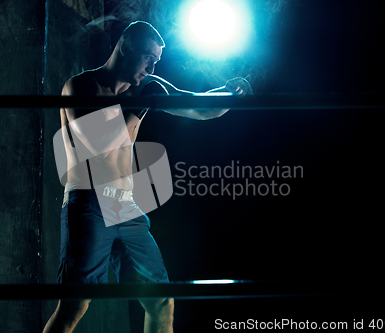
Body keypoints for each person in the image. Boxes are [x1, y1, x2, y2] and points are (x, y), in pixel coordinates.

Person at [43, 21, 252, 333]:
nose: (152, 67)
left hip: (124, 206)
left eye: (157, 61)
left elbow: (197, 106)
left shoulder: (144, 87)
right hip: (88, 201)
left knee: (161, 300)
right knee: (75, 304)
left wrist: (230, 93)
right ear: (125, 48)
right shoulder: (82, 87)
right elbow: (95, 147)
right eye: (148, 58)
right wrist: (139, 106)